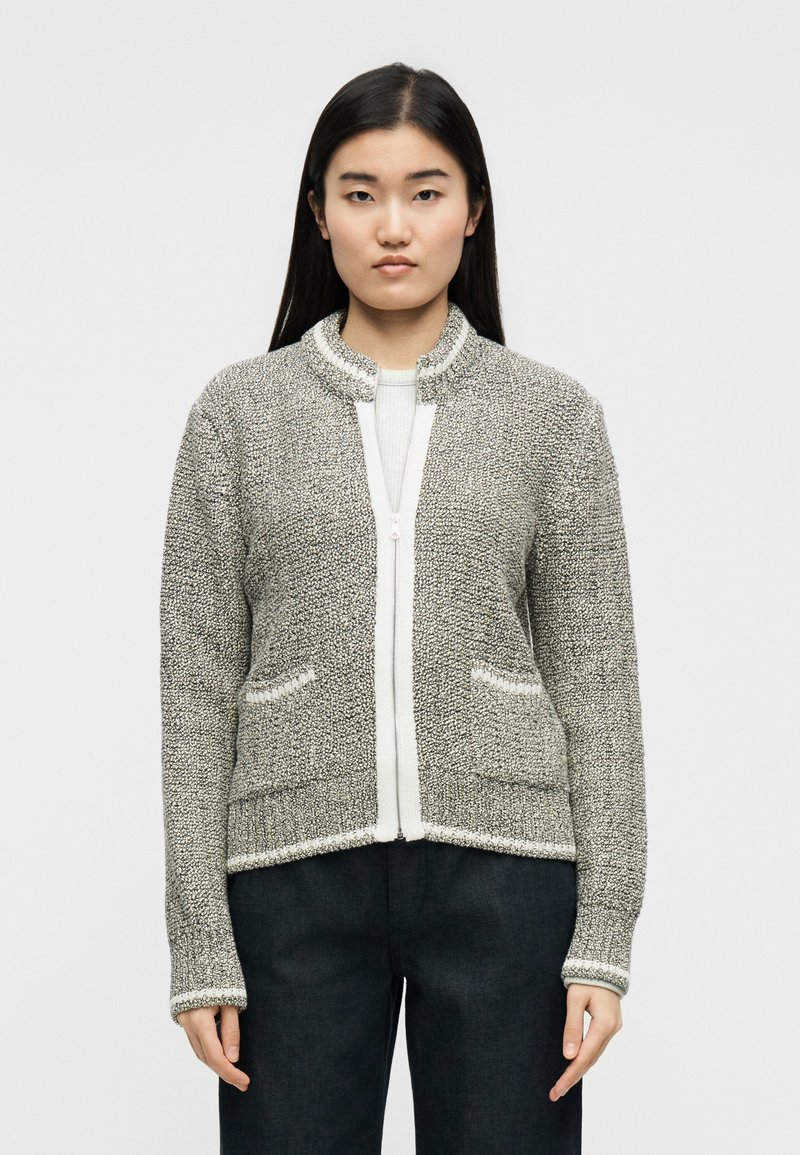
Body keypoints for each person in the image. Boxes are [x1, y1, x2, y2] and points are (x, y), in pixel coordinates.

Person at [159, 61, 648, 1155]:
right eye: (360, 193)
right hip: (290, 881)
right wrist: (200, 943)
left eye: (425, 192)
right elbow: (194, 688)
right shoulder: (236, 417)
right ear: (318, 213)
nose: (393, 225)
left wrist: (603, 938)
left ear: (472, 211)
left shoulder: (552, 419)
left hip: (507, 880)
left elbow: (598, 688)